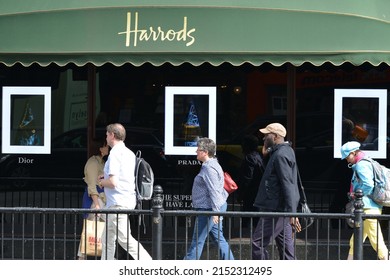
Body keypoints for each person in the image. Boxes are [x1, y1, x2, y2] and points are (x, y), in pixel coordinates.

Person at [98, 123, 152, 260]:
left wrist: (101, 182)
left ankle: (150, 264)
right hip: (123, 201)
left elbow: (113, 183)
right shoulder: (129, 153)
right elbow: (123, 177)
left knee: (124, 239)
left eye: (106, 134)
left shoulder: (115, 153)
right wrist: (105, 177)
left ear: (112, 135)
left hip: (117, 203)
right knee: (107, 239)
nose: (106, 137)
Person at [252, 123, 301, 260]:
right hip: (280, 208)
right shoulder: (285, 151)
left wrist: (292, 212)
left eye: (267, 135)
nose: (263, 137)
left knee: (258, 243)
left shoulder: (280, 155)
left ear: (276, 136)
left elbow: (287, 183)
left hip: (275, 208)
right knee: (286, 249)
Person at [184, 137, 234, 260]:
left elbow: (214, 190)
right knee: (219, 239)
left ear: (205, 152)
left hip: (209, 209)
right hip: (212, 208)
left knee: (197, 241)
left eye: (198, 149)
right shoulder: (212, 164)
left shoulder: (209, 167)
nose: (196, 151)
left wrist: (215, 212)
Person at [340, 141, 389, 260]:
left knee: (376, 239)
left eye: (347, 157)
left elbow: (368, 185)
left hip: (367, 207)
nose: (347, 160)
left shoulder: (362, 165)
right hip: (368, 206)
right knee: (356, 239)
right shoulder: (366, 161)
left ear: (353, 153)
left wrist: (357, 195)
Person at [78, 139, 109, 260]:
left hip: (101, 199)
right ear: (100, 149)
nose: (108, 147)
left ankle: (83, 258)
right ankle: (82, 258)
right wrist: (96, 204)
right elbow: (91, 185)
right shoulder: (93, 163)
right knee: (91, 228)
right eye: (106, 145)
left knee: (93, 228)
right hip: (96, 200)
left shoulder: (100, 162)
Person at [237, 135, 264, 227]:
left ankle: (245, 237)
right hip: (257, 192)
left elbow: (247, 178)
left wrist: (241, 194)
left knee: (247, 218)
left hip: (250, 193)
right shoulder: (258, 156)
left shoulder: (249, 158)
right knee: (256, 218)